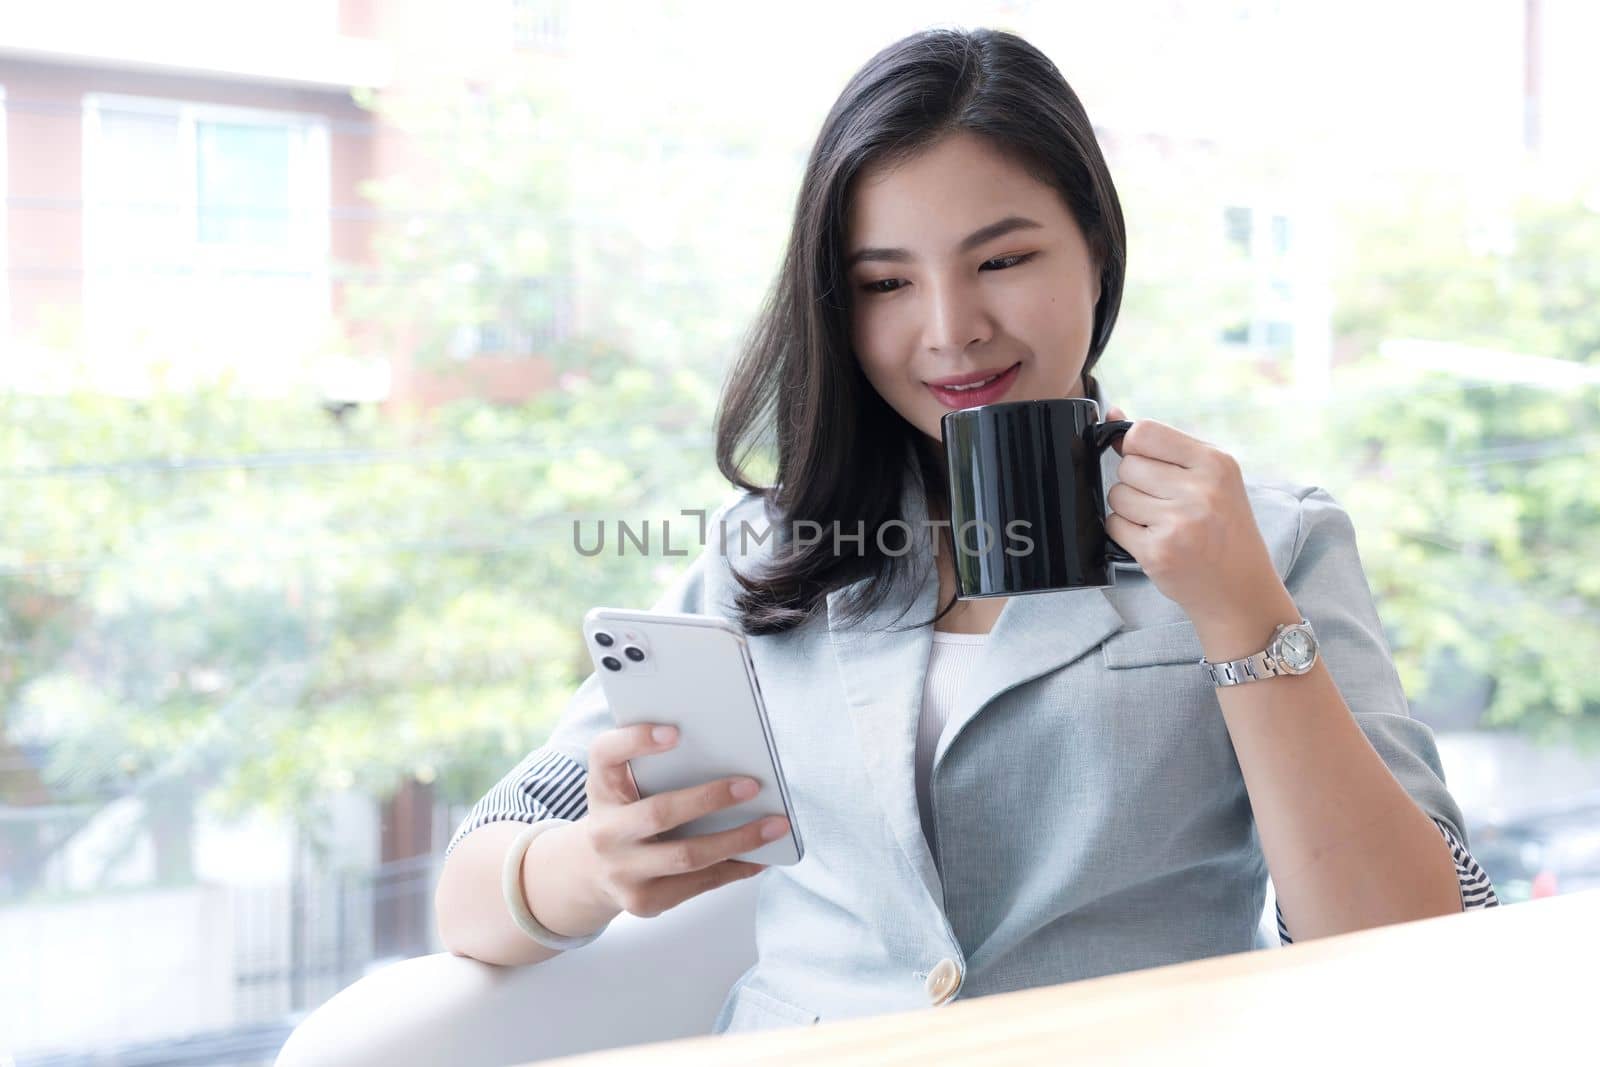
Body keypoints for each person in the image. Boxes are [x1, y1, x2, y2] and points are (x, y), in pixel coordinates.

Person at [433, 27, 1498, 1033]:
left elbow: (1416, 939)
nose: (950, 330)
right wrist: (592, 867)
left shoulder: (1268, 539)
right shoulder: (769, 553)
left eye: (1000, 260)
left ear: (1095, 252)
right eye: (885, 283)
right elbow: (471, 886)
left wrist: (1240, 612)